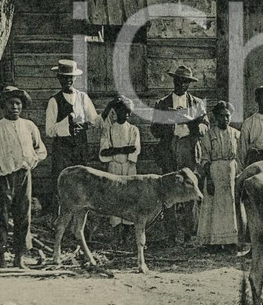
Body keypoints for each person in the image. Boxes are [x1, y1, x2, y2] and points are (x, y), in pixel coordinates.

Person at [0, 86, 47, 269]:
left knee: (23, 216)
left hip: (24, 176)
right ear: (3, 106)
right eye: (11, 103)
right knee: (2, 216)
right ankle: (2, 258)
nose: (15, 107)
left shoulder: (29, 126)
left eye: (18, 103)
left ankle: (19, 258)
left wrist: (30, 162)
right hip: (5, 178)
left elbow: (40, 150)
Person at [151, 65, 209, 244]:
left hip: (188, 148)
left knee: (190, 188)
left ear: (189, 85)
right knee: (169, 189)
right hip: (169, 147)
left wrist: (199, 126)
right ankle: (171, 233)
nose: (181, 85)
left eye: (185, 82)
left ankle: (188, 232)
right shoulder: (163, 103)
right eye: (178, 81)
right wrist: (167, 122)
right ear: (174, 81)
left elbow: (205, 125)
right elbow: (154, 130)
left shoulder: (197, 103)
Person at [45, 60, 100, 190]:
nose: (67, 80)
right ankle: (59, 209)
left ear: (75, 77)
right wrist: (66, 125)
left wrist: (85, 125)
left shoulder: (82, 98)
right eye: (64, 77)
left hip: (80, 147)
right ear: (59, 78)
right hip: (62, 149)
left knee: (81, 179)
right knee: (62, 180)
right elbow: (49, 130)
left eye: (70, 77)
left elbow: (94, 120)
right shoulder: (54, 101)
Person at [196, 101, 241, 253]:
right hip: (215, 173)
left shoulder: (236, 134)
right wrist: (209, 178)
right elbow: (204, 159)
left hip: (231, 172)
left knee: (231, 206)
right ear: (215, 118)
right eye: (221, 116)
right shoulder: (209, 135)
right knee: (214, 206)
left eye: (227, 116)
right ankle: (213, 241)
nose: (225, 119)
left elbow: (240, 156)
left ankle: (231, 241)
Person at [99, 95, 141, 232]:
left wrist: (114, 150)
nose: (127, 114)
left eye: (129, 111)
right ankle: (116, 229)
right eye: (123, 110)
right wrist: (122, 149)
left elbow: (134, 149)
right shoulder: (109, 130)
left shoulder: (133, 130)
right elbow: (104, 152)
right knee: (114, 196)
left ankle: (128, 229)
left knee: (129, 196)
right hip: (114, 166)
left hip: (129, 167)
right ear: (117, 112)